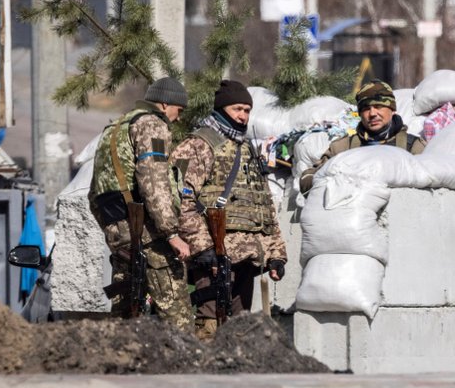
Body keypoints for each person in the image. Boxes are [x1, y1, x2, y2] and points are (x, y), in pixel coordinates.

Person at [170, 80, 287, 340]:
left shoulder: (246, 149)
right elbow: (179, 199)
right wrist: (203, 248)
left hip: (247, 257)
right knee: (209, 327)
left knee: (240, 332)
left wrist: (276, 254)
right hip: (214, 256)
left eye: (247, 110)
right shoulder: (197, 145)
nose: (243, 116)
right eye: (237, 109)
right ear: (222, 109)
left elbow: (263, 205)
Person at [88, 77, 193, 332]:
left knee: (124, 315)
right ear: (165, 104)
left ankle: (122, 365)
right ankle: (185, 369)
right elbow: (153, 179)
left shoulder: (115, 127)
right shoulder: (151, 124)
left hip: (120, 231)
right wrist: (170, 233)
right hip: (145, 231)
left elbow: (94, 192)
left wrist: (113, 231)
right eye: (178, 111)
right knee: (177, 316)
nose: (177, 119)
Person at [299, 79, 427, 195]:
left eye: (378, 107)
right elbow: (310, 178)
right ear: (360, 114)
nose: (372, 114)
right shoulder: (343, 147)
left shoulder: (413, 147)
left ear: (392, 109)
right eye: (366, 108)